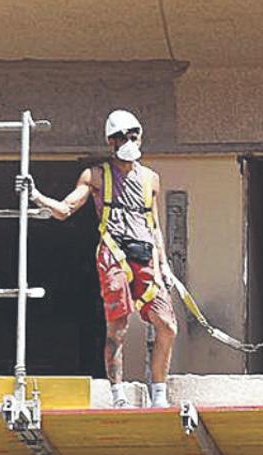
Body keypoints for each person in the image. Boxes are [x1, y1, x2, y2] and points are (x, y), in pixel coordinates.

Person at [25, 110, 178, 408]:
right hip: (114, 256)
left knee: (167, 325)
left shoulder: (151, 179)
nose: (129, 140)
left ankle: (159, 394)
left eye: (133, 134)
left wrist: (165, 266)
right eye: (122, 136)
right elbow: (65, 209)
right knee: (118, 329)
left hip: (145, 256)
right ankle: (118, 395)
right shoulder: (97, 176)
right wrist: (37, 196)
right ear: (111, 140)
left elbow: (154, 225)